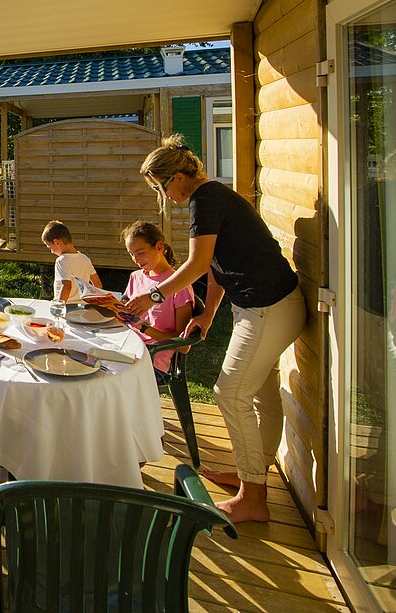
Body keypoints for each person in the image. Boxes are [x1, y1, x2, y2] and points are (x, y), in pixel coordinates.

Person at [122, 135, 304, 523]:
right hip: (270, 306)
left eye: (161, 187)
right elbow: (217, 266)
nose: (163, 197)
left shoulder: (204, 200)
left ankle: (252, 497)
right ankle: (252, 475)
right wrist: (207, 315)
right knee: (261, 393)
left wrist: (154, 297)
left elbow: (197, 263)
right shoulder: (214, 196)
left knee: (229, 392)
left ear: (177, 177)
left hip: (267, 308)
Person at [120, 221, 195, 382]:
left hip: (153, 360)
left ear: (159, 247)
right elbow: (124, 307)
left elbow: (183, 346)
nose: (136, 259)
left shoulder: (178, 285)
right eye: (131, 254)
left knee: (108, 383)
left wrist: (144, 328)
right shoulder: (135, 277)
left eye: (140, 252)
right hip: (126, 348)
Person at [41, 220, 101, 303]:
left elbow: (66, 286)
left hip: (67, 306)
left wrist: (59, 307)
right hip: (83, 306)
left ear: (56, 242)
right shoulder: (85, 259)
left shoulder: (62, 260)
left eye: (50, 247)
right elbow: (98, 285)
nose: (51, 251)